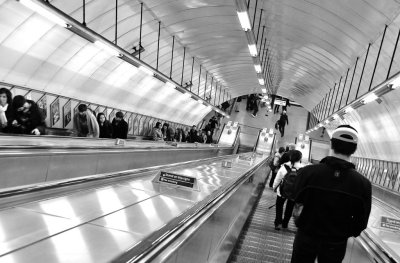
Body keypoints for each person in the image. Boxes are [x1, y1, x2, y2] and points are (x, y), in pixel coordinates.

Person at [291, 125, 372, 263]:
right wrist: (344, 233)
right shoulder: (363, 184)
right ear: (355, 149)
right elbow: (361, 222)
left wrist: (302, 222)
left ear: (331, 143)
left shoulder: (308, 173)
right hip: (336, 243)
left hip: (306, 236)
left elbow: (295, 200)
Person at [273, 150, 303, 230]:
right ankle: (285, 223)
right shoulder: (303, 169)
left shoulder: (284, 167)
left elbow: (277, 179)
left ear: (290, 157)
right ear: (300, 158)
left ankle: (278, 223)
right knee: (290, 207)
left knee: (279, 206)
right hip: (295, 193)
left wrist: (274, 188)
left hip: (282, 191)